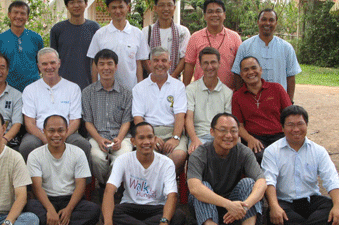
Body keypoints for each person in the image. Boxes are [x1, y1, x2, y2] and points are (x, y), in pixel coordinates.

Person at [187, 113, 266, 225]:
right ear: (212, 132)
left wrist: (245, 205)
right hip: (206, 206)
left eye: (233, 131)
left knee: (249, 183)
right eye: (223, 130)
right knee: (203, 187)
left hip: (233, 207)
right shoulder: (200, 153)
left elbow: (262, 182)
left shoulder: (243, 151)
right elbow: (194, 188)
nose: (229, 135)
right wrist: (228, 205)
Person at [262, 105, 339, 225]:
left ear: (306, 125)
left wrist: (338, 206)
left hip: (310, 200)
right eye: (290, 125)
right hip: (285, 202)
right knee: (274, 219)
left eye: (300, 124)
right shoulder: (272, 151)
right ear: (282, 128)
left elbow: (331, 179)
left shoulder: (318, 151)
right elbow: (269, 181)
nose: (296, 129)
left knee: (335, 206)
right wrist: (274, 205)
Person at [102, 122, 186, 225]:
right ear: (133, 141)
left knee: (178, 216)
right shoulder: (123, 160)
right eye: (141, 138)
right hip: (130, 206)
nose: (146, 142)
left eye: (150, 137)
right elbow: (109, 190)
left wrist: (163, 222)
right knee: (107, 216)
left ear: (155, 139)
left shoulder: (166, 163)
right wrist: (108, 224)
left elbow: (172, 195)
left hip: (157, 208)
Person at [25, 115, 101, 225]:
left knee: (93, 210)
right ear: (44, 131)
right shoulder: (35, 155)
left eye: (60, 130)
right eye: (51, 131)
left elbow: (81, 185)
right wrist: (50, 209)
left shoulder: (78, 153)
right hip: (46, 200)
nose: (56, 135)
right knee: (30, 206)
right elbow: (37, 187)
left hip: (70, 200)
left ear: (67, 131)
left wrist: (69, 209)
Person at [18, 48, 91, 162]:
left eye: (52, 62)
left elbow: (75, 120)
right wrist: (46, 139)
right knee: (27, 146)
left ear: (59, 63)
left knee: (83, 145)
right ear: (39, 66)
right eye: (45, 64)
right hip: (38, 133)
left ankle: (83, 180)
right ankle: (31, 180)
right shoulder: (30, 90)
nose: (49, 67)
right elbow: (29, 123)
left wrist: (61, 137)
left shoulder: (73, 88)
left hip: (66, 133)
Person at [132, 47, 187, 175]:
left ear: (169, 63)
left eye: (163, 60)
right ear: (150, 64)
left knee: (178, 155)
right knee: (146, 155)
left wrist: (175, 137)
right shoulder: (139, 88)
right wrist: (151, 137)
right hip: (149, 131)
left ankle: (157, 181)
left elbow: (180, 116)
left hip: (172, 130)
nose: (160, 64)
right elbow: (138, 118)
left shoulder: (178, 86)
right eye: (156, 60)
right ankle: (162, 184)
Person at [82, 49, 133, 187]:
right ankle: (105, 185)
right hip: (97, 136)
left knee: (123, 157)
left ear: (116, 66)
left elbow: (126, 121)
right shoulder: (87, 93)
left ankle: (113, 188)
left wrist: (119, 139)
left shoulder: (126, 93)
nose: (106, 68)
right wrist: (99, 139)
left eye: (110, 64)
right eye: (101, 64)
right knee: (96, 158)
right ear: (96, 67)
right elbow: (88, 122)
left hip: (121, 136)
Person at [232, 9, 301, 101]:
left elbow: (291, 76)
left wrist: (289, 102)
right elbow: (237, 74)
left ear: (276, 23)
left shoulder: (286, 48)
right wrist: (242, 99)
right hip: (252, 100)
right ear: (258, 22)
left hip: (278, 101)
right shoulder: (245, 46)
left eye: (271, 20)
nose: (267, 23)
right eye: (264, 19)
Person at [232, 56, 292, 163]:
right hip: (255, 138)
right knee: (258, 158)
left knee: (286, 157)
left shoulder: (277, 89)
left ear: (260, 70)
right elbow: (238, 126)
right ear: (241, 74)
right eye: (246, 70)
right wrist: (250, 139)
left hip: (279, 136)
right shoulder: (237, 96)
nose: (250, 72)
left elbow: (290, 115)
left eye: (253, 68)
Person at [87, 0, 150, 90]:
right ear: (108, 9)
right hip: (105, 91)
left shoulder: (138, 34)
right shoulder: (100, 34)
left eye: (121, 7)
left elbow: (139, 64)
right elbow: (95, 64)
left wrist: (140, 88)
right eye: (114, 7)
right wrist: (95, 88)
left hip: (130, 91)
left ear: (128, 8)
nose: (117, 11)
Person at [183, 0, 242, 89]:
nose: (214, 14)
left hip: (228, 94)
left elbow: (239, 66)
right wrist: (185, 90)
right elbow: (189, 65)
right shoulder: (195, 37)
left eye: (218, 11)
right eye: (210, 12)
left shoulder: (235, 37)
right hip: (201, 92)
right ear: (205, 16)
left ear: (224, 15)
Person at [50, 0, 101, 90]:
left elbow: (99, 58)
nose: (76, 5)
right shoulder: (57, 29)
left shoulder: (94, 28)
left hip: (89, 85)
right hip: (63, 85)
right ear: (67, 6)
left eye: (80, 2)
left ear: (86, 4)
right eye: (72, 2)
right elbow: (53, 60)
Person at [185, 47, 232, 155]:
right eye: (205, 63)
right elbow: (189, 118)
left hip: (220, 137)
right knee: (197, 154)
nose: (210, 67)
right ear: (200, 65)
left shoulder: (227, 92)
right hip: (198, 136)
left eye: (213, 62)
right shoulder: (191, 90)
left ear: (219, 64)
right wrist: (194, 139)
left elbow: (227, 121)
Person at [0, 0, 44, 93]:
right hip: (8, 90)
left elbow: (41, 64)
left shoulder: (36, 38)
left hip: (33, 89)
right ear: (9, 14)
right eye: (15, 13)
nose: (19, 16)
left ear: (27, 17)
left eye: (22, 13)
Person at [142, 0, 190, 78]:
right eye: (162, 5)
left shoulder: (183, 32)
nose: (166, 9)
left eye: (169, 5)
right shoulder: (146, 32)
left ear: (174, 8)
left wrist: (172, 77)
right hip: (152, 80)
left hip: (175, 80)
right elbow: (144, 58)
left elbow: (184, 58)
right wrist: (156, 76)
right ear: (155, 8)